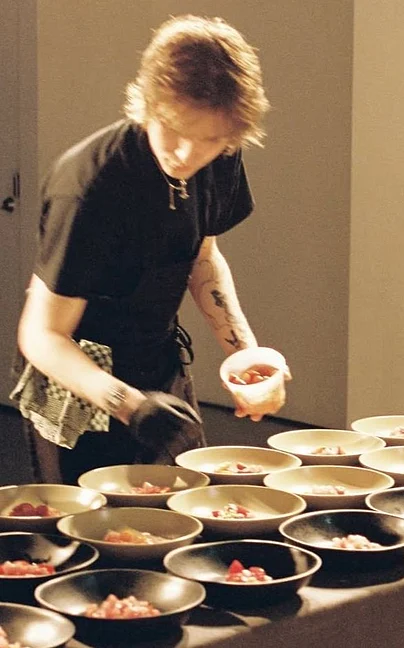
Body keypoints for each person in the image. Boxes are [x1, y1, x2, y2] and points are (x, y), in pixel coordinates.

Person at [13, 15, 290, 486]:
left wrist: (246, 355)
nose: (186, 155)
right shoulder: (88, 187)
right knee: (96, 539)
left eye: (208, 140)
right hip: (79, 378)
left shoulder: (220, 153)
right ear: (148, 105)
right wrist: (129, 403)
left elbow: (202, 258)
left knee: (184, 514)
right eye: (173, 130)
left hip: (156, 357)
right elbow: (41, 335)